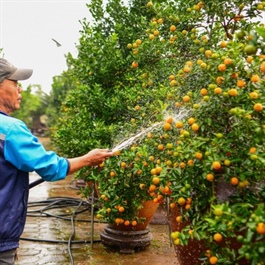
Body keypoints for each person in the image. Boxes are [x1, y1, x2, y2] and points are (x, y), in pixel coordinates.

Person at [0, 58, 113, 265]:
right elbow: (51, 168)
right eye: (15, 83)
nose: (20, 90)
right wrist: (88, 159)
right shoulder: (10, 130)